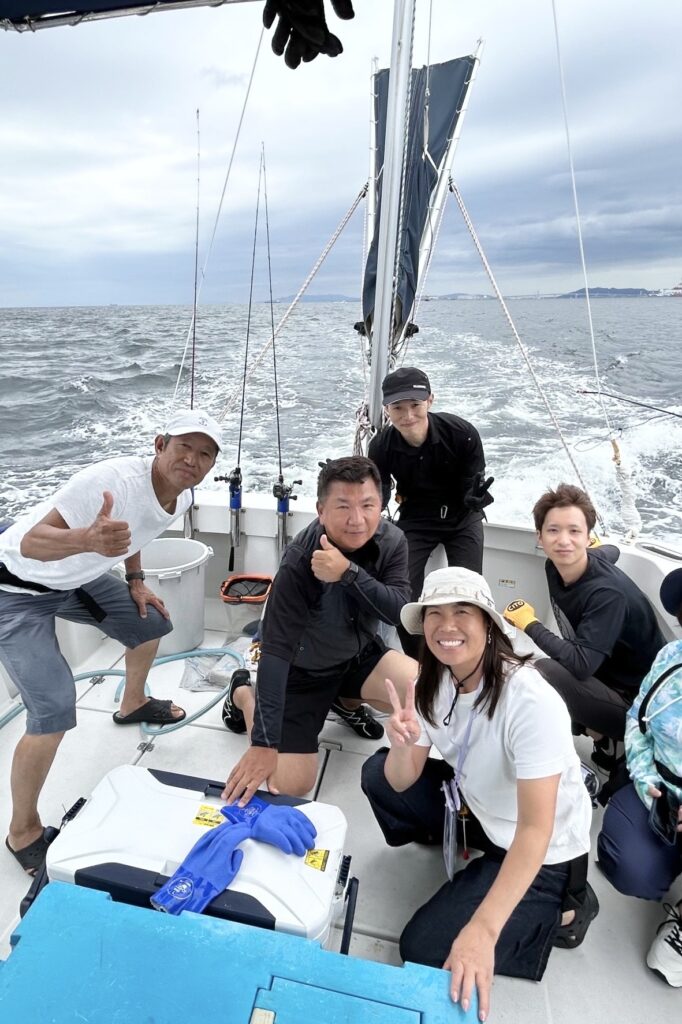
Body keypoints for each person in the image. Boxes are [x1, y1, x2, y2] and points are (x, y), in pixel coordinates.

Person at [361, 566, 595, 1022]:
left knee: (423, 947)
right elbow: (401, 780)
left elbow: (536, 829)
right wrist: (403, 744)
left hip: (544, 851)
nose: (447, 626)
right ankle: (472, 856)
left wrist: (483, 931)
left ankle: (569, 907)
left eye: (463, 612)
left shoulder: (529, 701)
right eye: (435, 614)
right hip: (482, 811)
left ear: (488, 624)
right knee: (376, 775)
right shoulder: (436, 678)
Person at [0, 408, 222, 874]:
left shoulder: (180, 496)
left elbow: (134, 529)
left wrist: (136, 579)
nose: (193, 460)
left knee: (148, 625)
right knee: (54, 708)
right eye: (185, 446)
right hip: (15, 587)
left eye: (205, 454)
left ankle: (133, 704)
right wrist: (86, 539)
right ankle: (22, 832)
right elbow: (30, 543)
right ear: (160, 444)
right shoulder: (111, 481)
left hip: (77, 575)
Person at [221, 456, 418, 805]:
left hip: (356, 656)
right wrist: (263, 743)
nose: (358, 520)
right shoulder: (300, 558)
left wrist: (348, 573)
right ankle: (242, 694)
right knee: (291, 785)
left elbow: (399, 612)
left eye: (368, 505)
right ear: (321, 510)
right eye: (343, 506)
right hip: (303, 671)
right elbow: (277, 650)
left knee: (424, 689)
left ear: (381, 506)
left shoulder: (392, 541)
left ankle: (344, 701)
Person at [503, 483, 664, 763]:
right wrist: (603, 548)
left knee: (539, 670)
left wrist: (529, 623)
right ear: (539, 537)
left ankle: (606, 738)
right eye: (553, 530)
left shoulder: (607, 594)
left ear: (588, 537)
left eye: (574, 531)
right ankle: (600, 735)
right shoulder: (556, 565)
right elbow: (611, 551)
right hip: (607, 673)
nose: (564, 541)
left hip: (640, 705)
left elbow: (580, 664)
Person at [367, 366, 493, 659]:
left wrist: (475, 499)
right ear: (387, 409)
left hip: (463, 516)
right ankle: (420, 660)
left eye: (415, 405)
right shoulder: (382, 446)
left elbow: (473, 484)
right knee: (401, 592)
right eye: (398, 407)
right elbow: (380, 491)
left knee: (470, 589)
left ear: (430, 401)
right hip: (416, 518)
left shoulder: (463, 434)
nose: (408, 415)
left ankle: (473, 654)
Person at [597, 566, 682, 987]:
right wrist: (648, 782)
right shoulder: (670, 657)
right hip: (660, 788)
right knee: (628, 869)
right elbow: (638, 720)